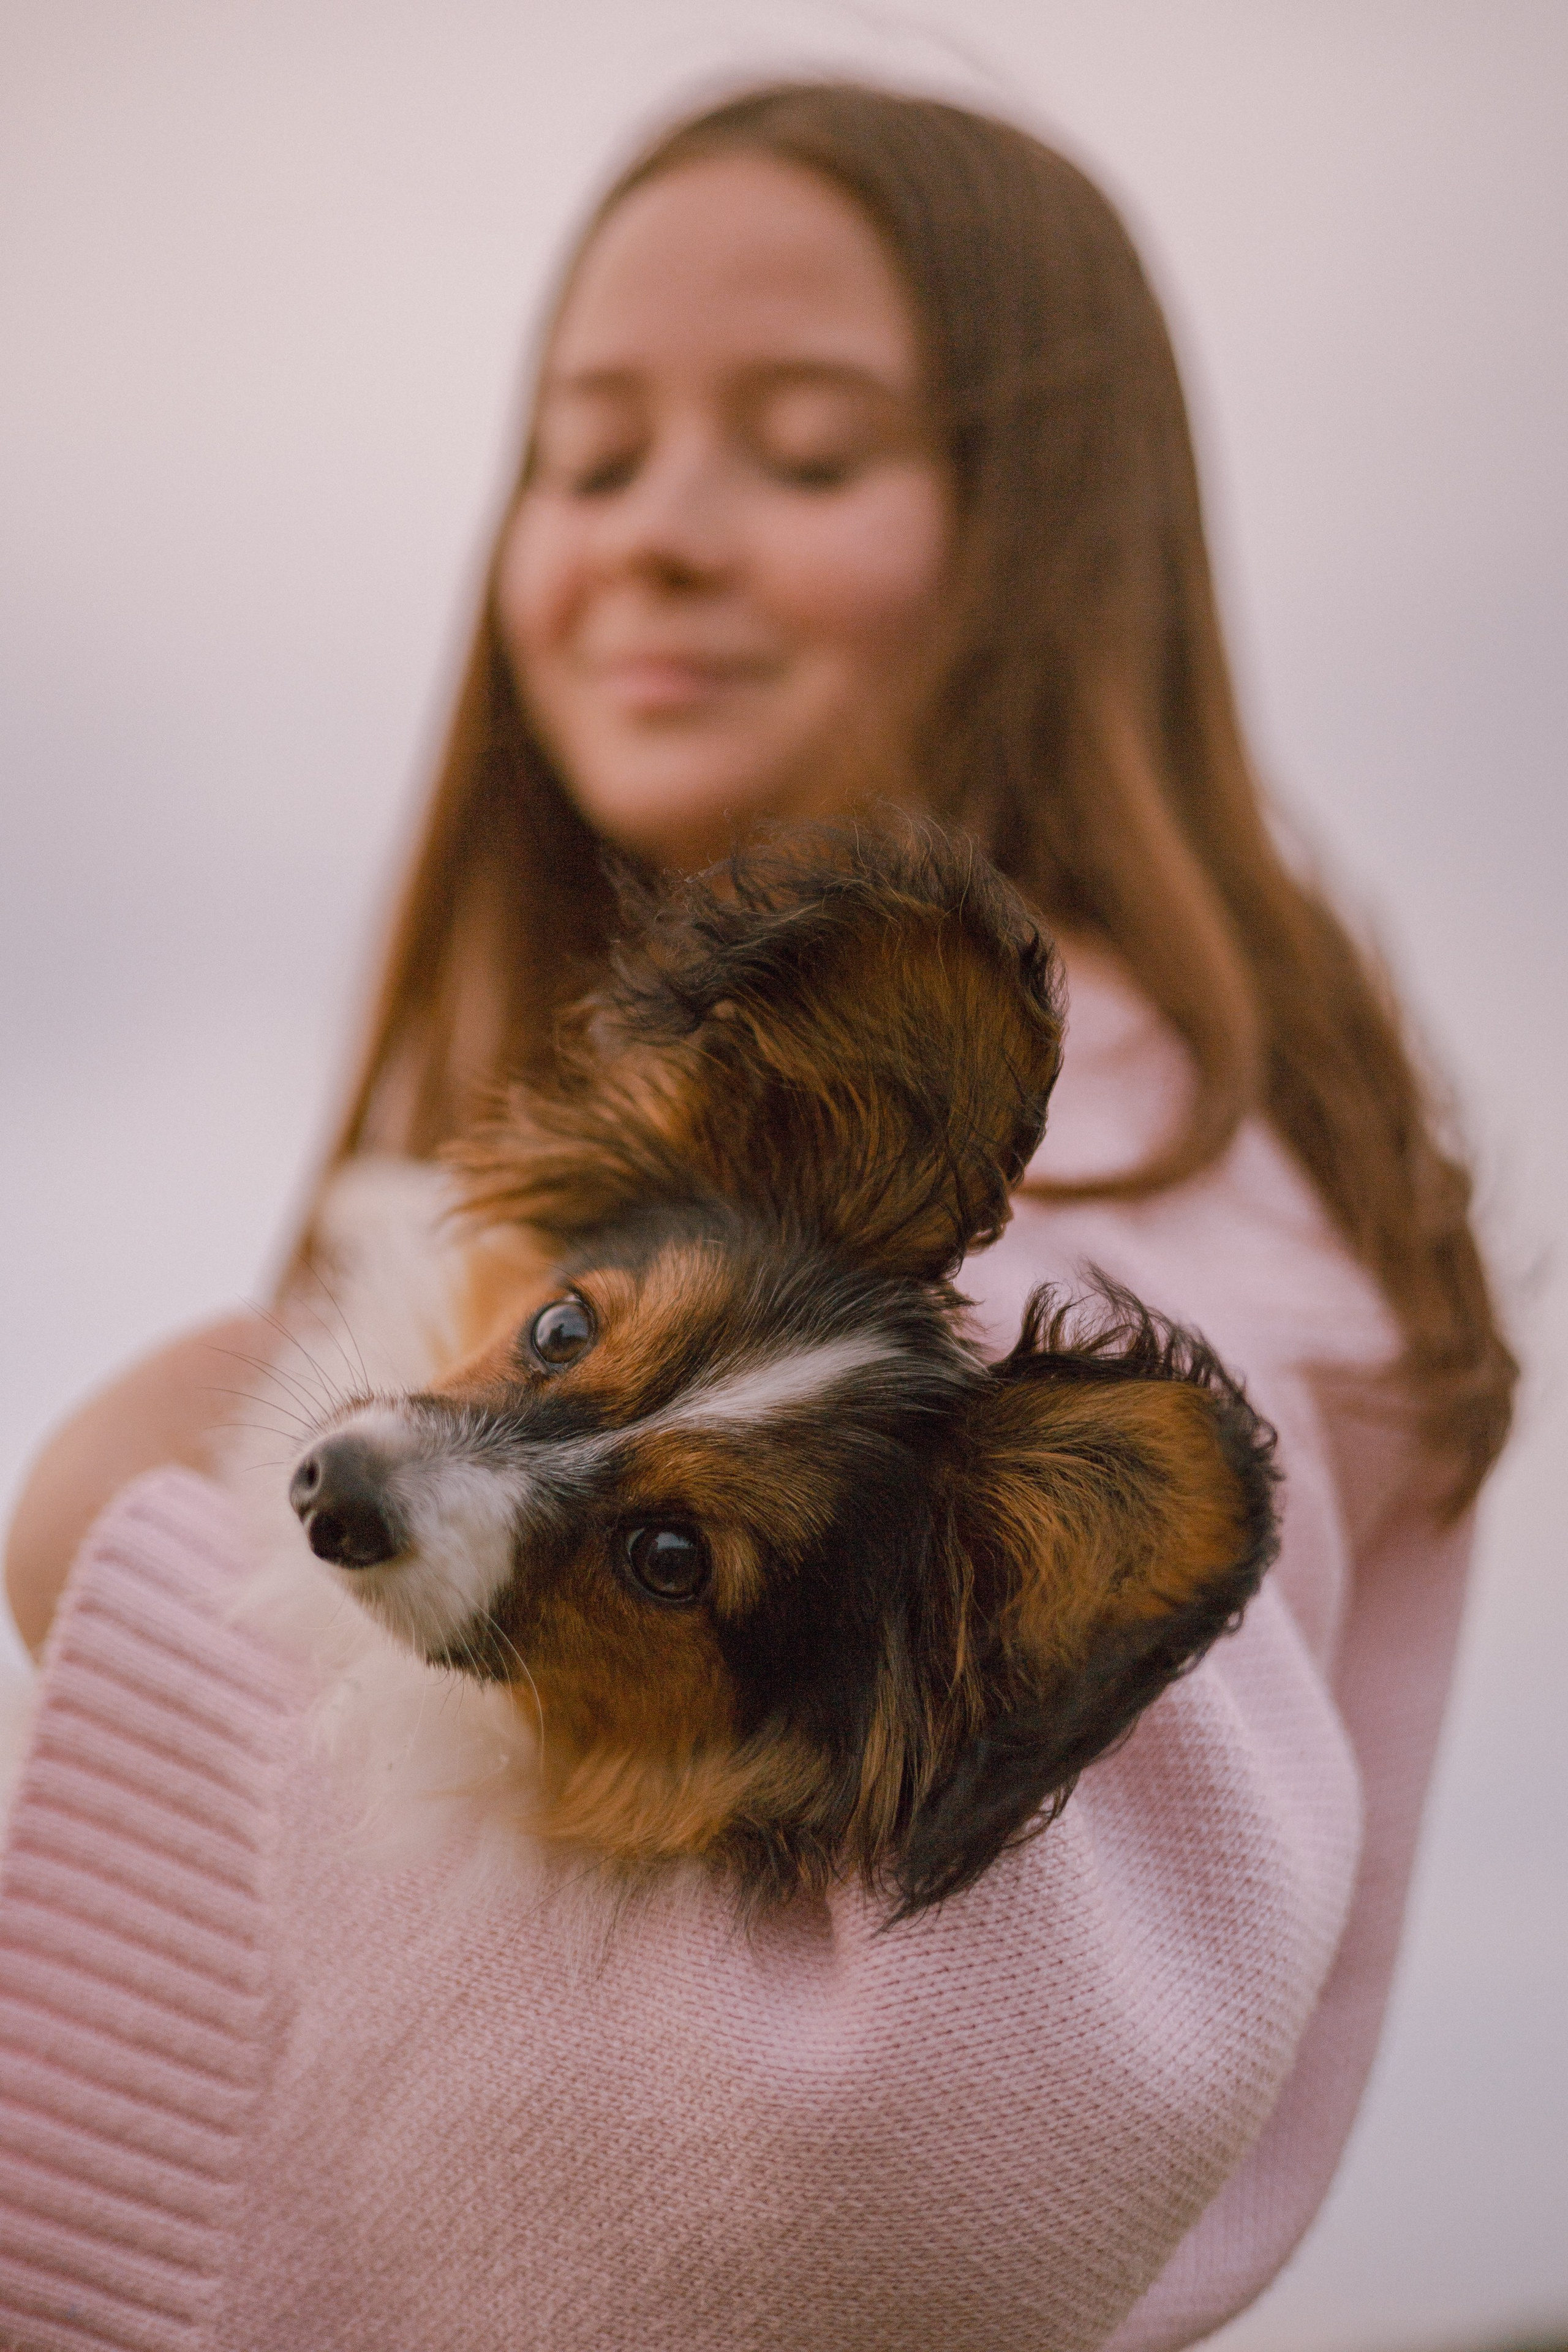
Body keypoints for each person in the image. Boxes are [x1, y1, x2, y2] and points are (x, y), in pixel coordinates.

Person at [0, 80, 1515, 2352]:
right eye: (588, 456)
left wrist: (153, 1535)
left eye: (808, 456)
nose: (662, 534)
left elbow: (907, 2123)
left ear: (1048, 542)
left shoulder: (1118, 1198)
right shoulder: (755, 1131)